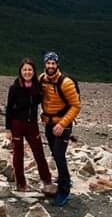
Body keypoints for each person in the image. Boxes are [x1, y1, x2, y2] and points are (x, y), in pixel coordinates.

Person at [5, 57, 53, 194]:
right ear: (20, 71)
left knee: (39, 152)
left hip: (32, 124)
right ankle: (20, 183)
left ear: (34, 72)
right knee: (18, 154)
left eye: (30, 70)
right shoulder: (14, 88)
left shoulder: (37, 86)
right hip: (17, 124)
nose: (27, 72)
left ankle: (47, 180)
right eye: (25, 70)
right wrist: (8, 128)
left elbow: (43, 101)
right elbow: (8, 109)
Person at [39, 50, 80, 206]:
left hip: (62, 124)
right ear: (45, 64)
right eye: (48, 63)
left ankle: (64, 191)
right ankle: (66, 178)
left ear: (57, 65)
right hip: (49, 122)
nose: (50, 66)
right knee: (55, 154)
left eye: (53, 63)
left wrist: (62, 124)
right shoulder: (41, 79)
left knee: (59, 154)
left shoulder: (66, 83)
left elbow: (76, 106)